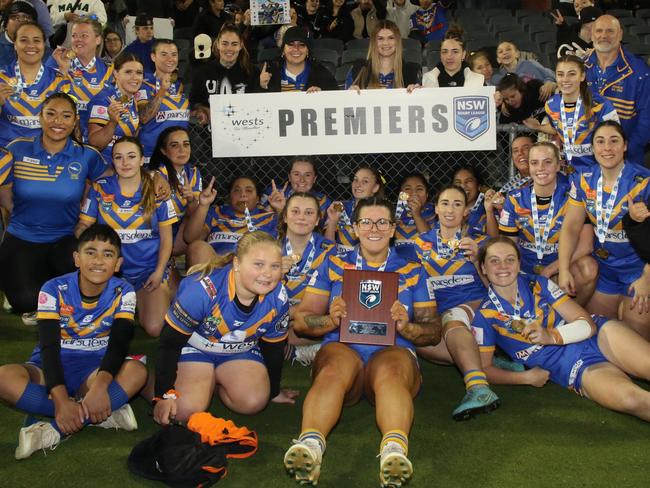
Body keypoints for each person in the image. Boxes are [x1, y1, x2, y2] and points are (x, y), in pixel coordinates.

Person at [284, 197, 441, 486]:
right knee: (332, 368)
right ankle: (311, 445)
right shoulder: (334, 264)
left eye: (383, 222)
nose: (374, 228)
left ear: (393, 228)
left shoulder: (412, 269)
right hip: (345, 349)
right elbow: (303, 320)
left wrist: (407, 327)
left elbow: (433, 331)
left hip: (393, 350)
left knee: (392, 373)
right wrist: (330, 321)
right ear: (355, 228)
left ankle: (394, 450)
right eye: (366, 222)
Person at [0, 224, 147, 459]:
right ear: (77, 258)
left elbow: (119, 344)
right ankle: (100, 414)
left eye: (108, 254)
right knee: (3, 378)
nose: (98, 260)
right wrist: (59, 399)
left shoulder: (125, 291)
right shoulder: (53, 288)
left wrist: (99, 388)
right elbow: (49, 347)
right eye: (91, 252)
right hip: (48, 368)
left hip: (94, 370)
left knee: (138, 372)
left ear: (118, 264)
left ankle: (52, 430)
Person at [473, 236, 650, 423]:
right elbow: (484, 368)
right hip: (573, 367)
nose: (503, 266)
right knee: (632, 401)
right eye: (494, 261)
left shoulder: (538, 284)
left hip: (598, 336)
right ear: (483, 268)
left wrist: (550, 335)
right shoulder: (484, 316)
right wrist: (524, 377)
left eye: (510, 259)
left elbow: (587, 325)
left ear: (518, 264)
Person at [152, 231, 291, 424]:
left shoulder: (279, 297)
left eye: (274, 266)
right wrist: (163, 394)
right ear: (237, 264)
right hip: (195, 348)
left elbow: (274, 348)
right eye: (258, 264)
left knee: (254, 402)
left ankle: (214, 382)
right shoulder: (201, 291)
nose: (267, 273)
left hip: (238, 351)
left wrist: (273, 391)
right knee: (183, 411)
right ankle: (148, 382)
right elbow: (169, 344)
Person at [0, 93, 107, 324]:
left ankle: (51, 284)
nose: (58, 121)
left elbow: (116, 179)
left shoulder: (87, 155)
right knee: (24, 302)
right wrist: (21, 216)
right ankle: (39, 287)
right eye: (51, 114)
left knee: (79, 280)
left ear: (75, 121)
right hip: (22, 236)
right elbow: (5, 191)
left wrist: (154, 179)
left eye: (66, 116)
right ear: (40, 117)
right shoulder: (17, 149)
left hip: (65, 237)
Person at [413, 185, 501, 420]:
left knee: (454, 319)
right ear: (436, 209)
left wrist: (476, 260)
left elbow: (497, 289)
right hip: (437, 312)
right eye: (445, 203)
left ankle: (478, 388)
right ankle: (485, 360)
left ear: (465, 212)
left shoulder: (481, 241)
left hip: (476, 306)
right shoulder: (419, 243)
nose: (450, 209)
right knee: (417, 338)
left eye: (457, 204)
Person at [75, 136, 177, 337]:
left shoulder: (159, 191)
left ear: (141, 160)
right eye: (118, 157)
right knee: (95, 327)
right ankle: (128, 301)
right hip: (109, 272)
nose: (125, 163)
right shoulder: (100, 187)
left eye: (131, 156)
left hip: (147, 272)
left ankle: (165, 288)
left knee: (155, 328)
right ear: (112, 161)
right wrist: (88, 243)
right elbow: (83, 225)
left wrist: (158, 272)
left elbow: (167, 238)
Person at [559, 121, 650, 339]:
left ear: (625, 146)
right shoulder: (583, 179)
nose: (607, 148)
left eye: (614, 141)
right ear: (592, 148)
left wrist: (647, 278)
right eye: (600, 141)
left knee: (635, 337)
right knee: (598, 332)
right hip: (606, 269)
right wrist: (563, 269)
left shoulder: (644, 181)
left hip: (638, 269)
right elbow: (571, 226)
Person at [499, 142, 598, 305]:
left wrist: (551, 270)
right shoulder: (514, 198)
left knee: (588, 267)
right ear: (529, 166)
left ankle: (567, 317)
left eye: (547, 162)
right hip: (524, 268)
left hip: (560, 267)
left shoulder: (573, 195)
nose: (541, 168)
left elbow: (586, 246)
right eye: (534, 163)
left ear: (558, 165)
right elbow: (507, 246)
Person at [524, 55, 619, 173]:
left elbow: (616, 139)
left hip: (599, 171)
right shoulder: (551, 105)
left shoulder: (601, 104)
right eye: (560, 74)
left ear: (582, 76)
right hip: (570, 172)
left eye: (572, 74)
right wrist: (539, 127)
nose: (565, 79)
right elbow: (559, 128)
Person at [279, 192, 336, 367]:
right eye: (295, 211)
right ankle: (311, 349)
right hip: (276, 315)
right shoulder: (267, 247)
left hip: (307, 317)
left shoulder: (330, 251)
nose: (302, 217)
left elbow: (331, 301)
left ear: (318, 219)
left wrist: (294, 312)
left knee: (334, 321)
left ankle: (291, 348)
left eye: (309, 213)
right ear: (285, 217)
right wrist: (275, 274)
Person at [584, 14, 650, 165]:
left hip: (627, 160)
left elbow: (646, 122)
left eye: (610, 31)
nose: (603, 36)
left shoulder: (639, 72)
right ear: (592, 34)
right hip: (587, 160)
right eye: (599, 31)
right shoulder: (580, 68)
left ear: (620, 34)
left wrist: (623, 152)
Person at [183, 175, 281, 267]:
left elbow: (289, 242)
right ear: (230, 197)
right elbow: (190, 238)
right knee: (197, 247)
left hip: (252, 269)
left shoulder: (269, 217)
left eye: (249, 190)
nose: (243, 194)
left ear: (257, 199)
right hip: (217, 269)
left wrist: (281, 210)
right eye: (237, 190)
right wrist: (203, 206)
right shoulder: (217, 212)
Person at [0, 21, 70, 147]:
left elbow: (68, 126)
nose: (31, 45)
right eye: (24, 40)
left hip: (44, 153)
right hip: (5, 151)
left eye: (36, 40)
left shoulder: (59, 80)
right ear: (15, 44)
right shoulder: (2, 78)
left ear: (44, 45)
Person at [48, 17, 114, 142]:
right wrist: (64, 72)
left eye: (84, 36)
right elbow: (47, 100)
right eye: (74, 36)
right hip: (63, 136)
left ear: (98, 39)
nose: (78, 40)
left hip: (96, 138)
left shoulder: (109, 71)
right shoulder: (56, 61)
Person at [189, 23, 260, 126]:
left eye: (234, 44)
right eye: (225, 43)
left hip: (243, 128)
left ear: (241, 45)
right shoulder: (203, 72)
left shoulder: (251, 71)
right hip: (209, 133)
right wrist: (202, 110)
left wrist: (263, 86)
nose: (229, 49)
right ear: (217, 44)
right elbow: (194, 101)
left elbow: (257, 105)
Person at [150, 125, 201, 257]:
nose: (182, 150)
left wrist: (191, 200)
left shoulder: (193, 172)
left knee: (200, 219)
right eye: (174, 145)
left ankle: (171, 256)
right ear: (164, 151)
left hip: (178, 230)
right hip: (157, 230)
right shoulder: (158, 173)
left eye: (186, 144)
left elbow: (193, 214)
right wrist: (154, 175)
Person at [137, 39, 190, 161]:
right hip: (151, 155)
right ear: (153, 57)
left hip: (178, 156)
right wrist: (162, 90)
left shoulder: (181, 85)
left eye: (174, 54)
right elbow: (144, 117)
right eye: (164, 54)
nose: (170, 59)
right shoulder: (144, 83)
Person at [84, 51, 143, 160]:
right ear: (116, 73)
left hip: (122, 164)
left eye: (139, 73)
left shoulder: (131, 99)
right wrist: (112, 123)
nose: (135, 77)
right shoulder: (103, 100)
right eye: (128, 72)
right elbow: (95, 144)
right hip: (102, 167)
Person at [324, 165, 384, 254]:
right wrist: (332, 221)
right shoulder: (339, 207)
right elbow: (326, 246)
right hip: (337, 262)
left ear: (375, 188)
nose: (358, 184)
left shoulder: (381, 213)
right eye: (356, 180)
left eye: (365, 181)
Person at [258, 26, 338, 93]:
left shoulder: (322, 74)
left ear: (307, 51)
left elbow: (336, 101)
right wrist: (261, 86)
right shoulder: (268, 73)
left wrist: (323, 95)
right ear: (283, 50)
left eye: (302, 45)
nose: (296, 49)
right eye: (291, 44)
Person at [346, 19, 420, 90]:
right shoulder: (359, 69)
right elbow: (344, 100)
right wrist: (350, 94)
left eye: (391, 38)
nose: (385, 43)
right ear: (374, 42)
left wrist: (418, 93)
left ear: (397, 41)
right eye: (380, 38)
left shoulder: (411, 70)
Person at [260, 156, 331, 225]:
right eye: (296, 174)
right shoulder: (274, 195)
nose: (302, 180)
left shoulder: (323, 202)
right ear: (289, 177)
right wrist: (272, 207)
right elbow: (258, 227)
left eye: (307, 175)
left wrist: (282, 211)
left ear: (314, 179)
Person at [491, 41, 556, 99]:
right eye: (500, 52)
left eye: (508, 49)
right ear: (498, 60)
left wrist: (548, 83)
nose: (505, 53)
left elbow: (551, 75)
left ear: (517, 54)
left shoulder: (531, 63)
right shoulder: (498, 78)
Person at [394, 172, 435, 260]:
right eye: (408, 189)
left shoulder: (436, 214)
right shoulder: (391, 215)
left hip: (425, 265)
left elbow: (429, 240)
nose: (414, 193)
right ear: (401, 195)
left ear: (427, 195)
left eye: (419, 189)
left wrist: (416, 214)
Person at [0, 0, 39, 67]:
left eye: (27, 17)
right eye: (15, 17)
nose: (21, 21)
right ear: (5, 25)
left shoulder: (47, 53)